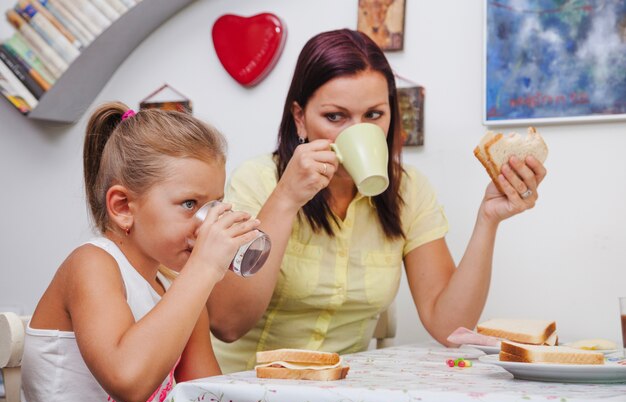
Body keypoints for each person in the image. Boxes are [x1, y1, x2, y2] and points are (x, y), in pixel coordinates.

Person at [207, 29, 547, 373]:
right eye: (335, 117)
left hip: (339, 393)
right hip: (246, 387)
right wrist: (285, 199)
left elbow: (449, 327)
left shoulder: (408, 191)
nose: (358, 131)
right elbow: (228, 323)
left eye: (373, 115)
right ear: (300, 118)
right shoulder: (257, 181)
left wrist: (488, 219)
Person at [20, 102, 261, 402]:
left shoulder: (179, 291)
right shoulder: (92, 265)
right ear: (122, 207)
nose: (207, 221)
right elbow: (129, 383)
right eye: (190, 204)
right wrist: (203, 268)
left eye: (216, 204)